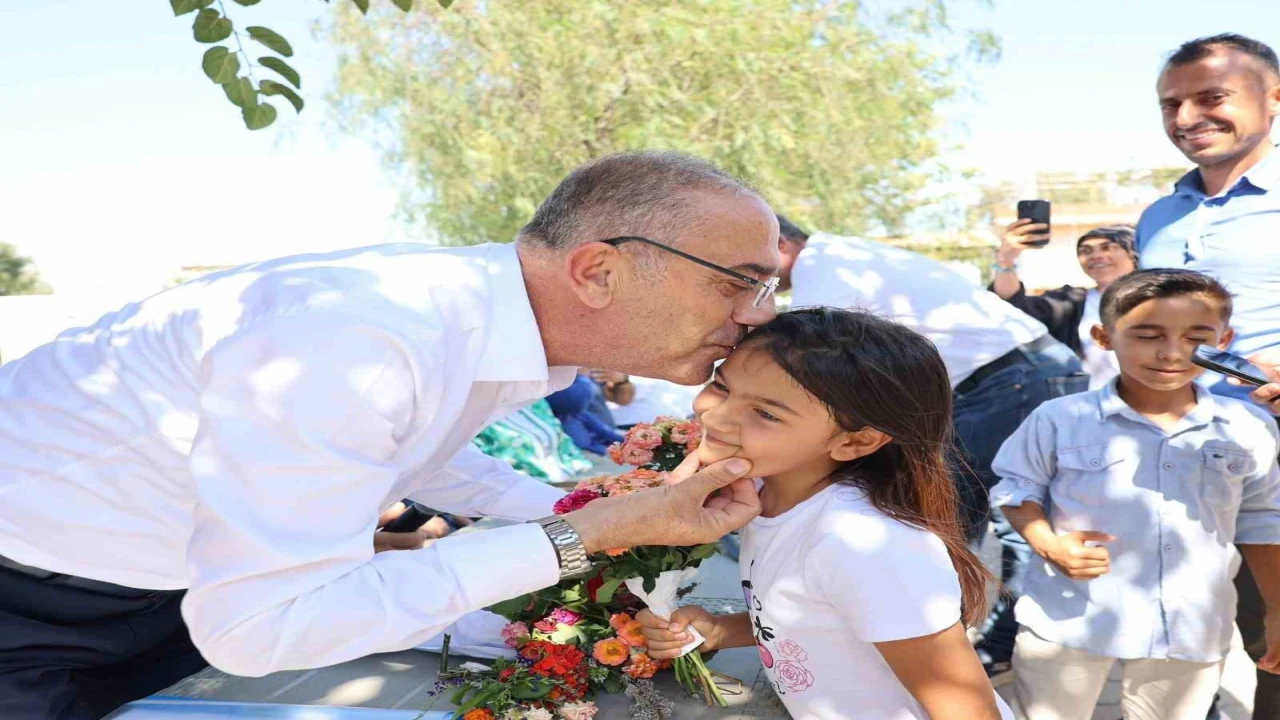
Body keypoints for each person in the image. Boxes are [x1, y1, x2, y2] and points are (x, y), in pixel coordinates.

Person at [0, 151, 776, 720]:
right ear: (599, 271)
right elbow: (256, 629)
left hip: (153, 587)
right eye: (739, 281)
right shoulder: (360, 339)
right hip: (28, 602)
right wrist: (584, 533)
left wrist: (605, 513)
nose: (759, 315)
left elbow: (423, 455)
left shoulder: (463, 325)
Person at [637, 308, 1013, 720]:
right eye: (722, 387)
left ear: (855, 442)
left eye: (766, 413)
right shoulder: (763, 492)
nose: (716, 416)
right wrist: (720, 630)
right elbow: (812, 617)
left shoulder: (867, 545)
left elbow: (970, 711)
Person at [773, 215, 1088, 680]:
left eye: (751, 267)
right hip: (1010, 376)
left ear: (779, 242)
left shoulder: (826, 264)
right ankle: (960, 645)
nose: (755, 281)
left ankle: (975, 650)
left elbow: (809, 355)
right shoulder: (843, 254)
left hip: (1012, 377)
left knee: (992, 516)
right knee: (959, 517)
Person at [989, 269, 1280, 720]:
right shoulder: (1060, 418)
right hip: (1069, 621)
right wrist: (1048, 544)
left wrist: (1276, 610)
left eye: (1196, 337)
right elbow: (1015, 487)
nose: (1171, 352)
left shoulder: (1247, 425)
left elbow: (1263, 518)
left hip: (1191, 625)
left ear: (1224, 340)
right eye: (1147, 335)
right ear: (1104, 337)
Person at [1135, 33, 1280, 718]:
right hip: (1196, 455)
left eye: (1211, 97)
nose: (1188, 117)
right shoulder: (1159, 217)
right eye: (1171, 104)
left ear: (1274, 97)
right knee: (1248, 630)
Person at [992, 224, 1138, 389]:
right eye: (1086, 251)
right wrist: (1005, 260)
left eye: (1107, 248)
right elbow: (1011, 303)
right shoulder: (1070, 301)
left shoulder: (1158, 297)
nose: (1096, 256)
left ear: (1133, 253)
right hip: (1090, 399)